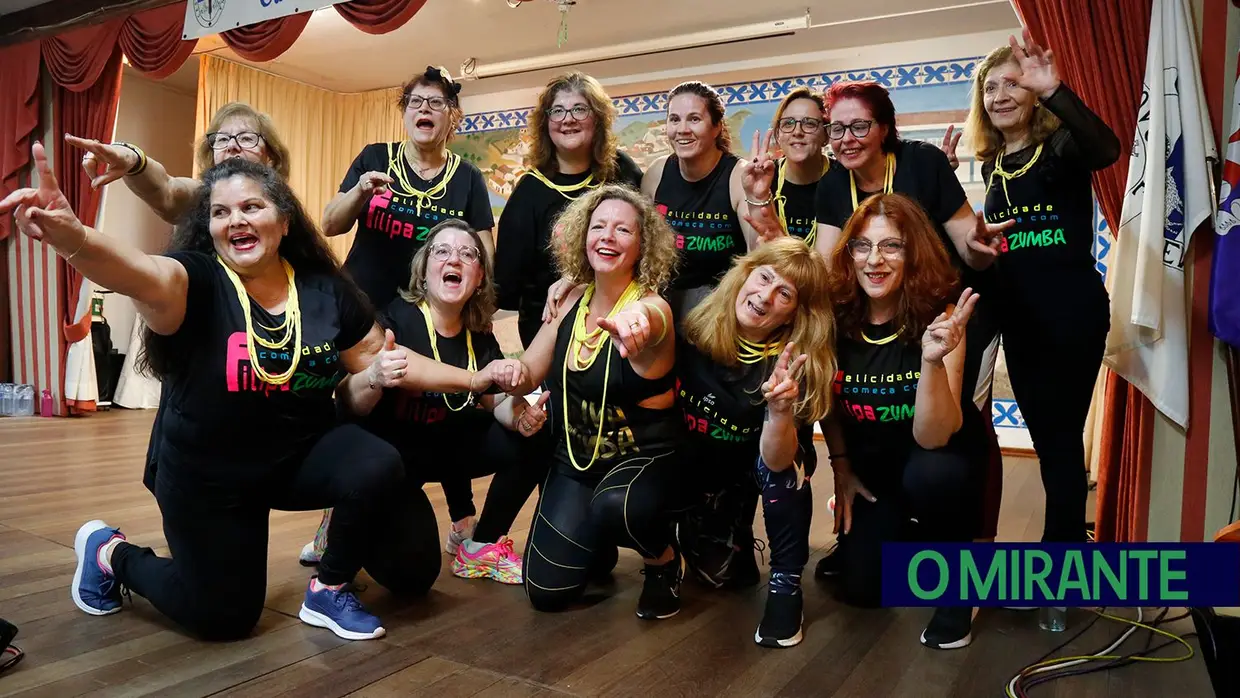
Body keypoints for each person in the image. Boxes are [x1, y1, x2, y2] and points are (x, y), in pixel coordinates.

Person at [0, 147, 515, 642]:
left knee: (379, 465)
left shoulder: (321, 288)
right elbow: (141, 272)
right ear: (210, 227)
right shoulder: (195, 279)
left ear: (284, 219)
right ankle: (109, 554)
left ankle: (328, 588)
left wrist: (472, 379)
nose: (236, 221)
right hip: (211, 472)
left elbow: (387, 359)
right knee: (224, 617)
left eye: (252, 206)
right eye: (221, 212)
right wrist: (76, 239)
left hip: (296, 456)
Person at [813, 80, 1011, 566]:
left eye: (859, 126)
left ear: (884, 129)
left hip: (944, 314)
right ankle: (888, 522)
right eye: (837, 129)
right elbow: (824, 268)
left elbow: (969, 243)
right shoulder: (831, 183)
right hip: (872, 316)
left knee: (956, 430)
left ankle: (974, 550)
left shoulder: (921, 163)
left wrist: (981, 252)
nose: (847, 138)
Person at [303, 220, 549, 585]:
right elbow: (348, 401)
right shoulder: (393, 322)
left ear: (479, 276)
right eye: (443, 251)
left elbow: (492, 399)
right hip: (393, 464)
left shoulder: (478, 333)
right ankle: (340, 522)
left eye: (468, 254)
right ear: (424, 269)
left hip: (449, 451)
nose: (455, 259)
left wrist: (519, 418)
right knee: (413, 579)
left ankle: (479, 548)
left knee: (539, 436)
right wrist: (374, 378)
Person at [963, 31, 1119, 542]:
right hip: (1019, 320)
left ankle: (1060, 561)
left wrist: (1055, 90)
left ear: (1033, 93)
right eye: (990, 87)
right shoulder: (991, 165)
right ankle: (1067, 549)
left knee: (1057, 439)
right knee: (1050, 438)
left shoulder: (1061, 147)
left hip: (1071, 312)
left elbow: (1106, 148)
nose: (1001, 95)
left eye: (1014, 83)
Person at [820, 193, 988, 649]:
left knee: (932, 475)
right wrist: (841, 466)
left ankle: (958, 580)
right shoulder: (835, 317)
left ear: (913, 253)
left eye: (891, 246)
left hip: (938, 459)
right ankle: (914, 543)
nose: (874, 260)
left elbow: (933, 435)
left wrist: (932, 361)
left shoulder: (942, 317)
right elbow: (829, 404)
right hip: (877, 470)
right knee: (862, 589)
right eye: (862, 246)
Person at [513, 184, 684, 618]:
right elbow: (529, 368)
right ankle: (597, 543)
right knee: (545, 594)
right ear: (583, 235)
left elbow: (655, 321)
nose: (608, 236)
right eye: (599, 226)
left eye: (623, 230)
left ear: (643, 245)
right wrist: (492, 377)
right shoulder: (569, 297)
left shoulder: (651, 306)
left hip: (641, 461)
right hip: (576, 462)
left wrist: (636, 321)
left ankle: (662, 562)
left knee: (616, 506)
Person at [675, 237, 835, 648]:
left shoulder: (796, 362)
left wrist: (780, 411)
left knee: (789, 472)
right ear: (745, 273)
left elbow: (779, 462)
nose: (764, 296)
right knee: (722, 578)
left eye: (784, 293)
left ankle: (786, 584)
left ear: (795, 313)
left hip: (752, 473)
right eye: (764, 277)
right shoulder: (690, 314)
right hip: (692, 473)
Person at [323, 66, 495, 309]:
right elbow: (329, 225)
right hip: (359, 307)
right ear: (405, 114)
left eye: (436, 102)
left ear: (452, 116)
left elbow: (484, 253)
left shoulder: (468, 177)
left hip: (427, 315)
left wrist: (479, 303)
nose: (424, 108)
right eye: (415, 102)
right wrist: (360, 192)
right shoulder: (376, 157)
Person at [495, 72, 644, 349]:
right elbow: (506, 284)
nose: (568, 119)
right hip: (550, 328)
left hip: (619, 317)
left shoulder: (622, 171)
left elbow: (649, 243)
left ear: (597, 118)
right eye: (558, 111)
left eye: (579, 109)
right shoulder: (528, 193)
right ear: (545, 123)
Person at [640, 81, 782, 321]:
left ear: (716, 127)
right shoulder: (657, 173)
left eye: (694, 119)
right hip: (662, 298)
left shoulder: (738, 174)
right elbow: (641, 247)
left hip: (719, 303)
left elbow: (760, 255)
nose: (682, 129)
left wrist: (758, 198)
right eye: (674, 119)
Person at [68, 102, 291, 227]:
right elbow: (168, 191)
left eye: (246, 138)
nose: (232, 146)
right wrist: (133, 158)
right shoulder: (201, 195)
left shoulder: (286, 210)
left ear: (270, 155)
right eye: (222, 139)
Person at [768, 87, 830, 244]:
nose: (797, 131)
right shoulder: (764, 178)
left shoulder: (843, 179)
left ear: (826, 135)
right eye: (788, 123)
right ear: (778, 134)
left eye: (809, 123)